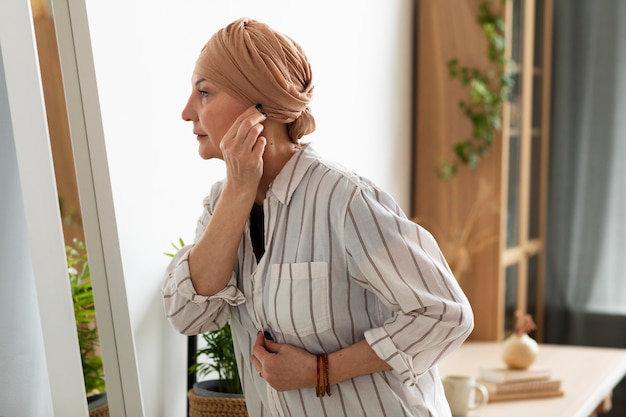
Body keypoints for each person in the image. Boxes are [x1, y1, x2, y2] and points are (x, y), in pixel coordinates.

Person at [162, 17, 474, 417]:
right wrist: (239, 190)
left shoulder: (344, 200)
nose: (187, 112)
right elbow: (188, 314)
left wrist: (320, 370)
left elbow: (446, 313)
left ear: (259, 106)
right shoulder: (220, 204)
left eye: (204, 92)